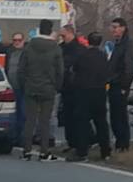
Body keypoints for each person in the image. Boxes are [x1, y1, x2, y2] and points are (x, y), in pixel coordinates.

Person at [18, 19, 64, 161]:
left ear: (39, 29)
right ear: (50, 31)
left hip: (31, 87)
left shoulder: (29, 46)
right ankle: (44, 151)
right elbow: (60, 71)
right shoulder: (56, 48)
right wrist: (57, 86)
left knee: (30, 120)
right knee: (45, 120)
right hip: (48, 88)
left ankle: (27, 150)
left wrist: (23, 85)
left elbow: (21, 69)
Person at [67, 32, 111, 162]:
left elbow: (73, 70)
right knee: (101, 122)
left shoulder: (82, 55)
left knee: (82, 122)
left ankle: (82, 152)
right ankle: (105, 151)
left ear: (88, 41)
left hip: (84, 91)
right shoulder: (104, 56)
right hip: (100, 92)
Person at [107, 17, 133, 152]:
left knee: (120, 116)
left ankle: (123, 144)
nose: (113, 30)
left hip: (120, 84)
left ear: (123, 28)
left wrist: (125, 86)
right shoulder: (117, 44)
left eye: (115, 27)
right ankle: (119, 142)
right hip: (113, 83)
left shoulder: (128, 44)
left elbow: (129, 67)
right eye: (112, 27)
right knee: (114, 115)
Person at [59, 24, 86, 151]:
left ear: (70, 33)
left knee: (76, 116)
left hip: (76, 87)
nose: (62, 37)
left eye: (63, 35)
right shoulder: (61, 48)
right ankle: (71, 142)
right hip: (65, 86)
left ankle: (79, 142)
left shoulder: (79, 49)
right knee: (67, 116)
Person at [5, 32, 26, 146]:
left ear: (23, 41)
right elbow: (6, 68)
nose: (17, 42)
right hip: (11, 87)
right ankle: (12, 137)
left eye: (19, 40)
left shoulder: (27, 53)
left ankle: (21, 138)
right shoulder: (9, 52)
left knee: (22, 114)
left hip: (22, 87)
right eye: (14, 40)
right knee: (12, 114)